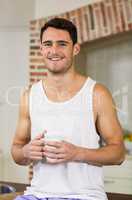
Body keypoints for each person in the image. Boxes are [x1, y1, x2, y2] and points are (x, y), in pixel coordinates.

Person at [11, 17, 125, 200]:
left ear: (75, 49)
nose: (54, 51)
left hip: (84, 196)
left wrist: (77, 153)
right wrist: (26, 152)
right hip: (37, 195)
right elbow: (16, 150)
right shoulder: (29, 95)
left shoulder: (97, 93)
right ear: (41, 49)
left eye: (62, 44)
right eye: (48, 44)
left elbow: (118, 153)